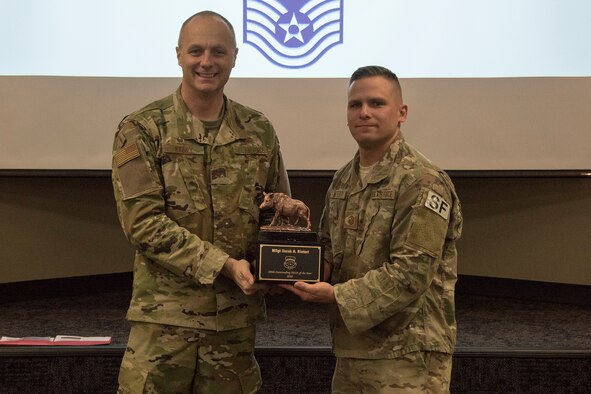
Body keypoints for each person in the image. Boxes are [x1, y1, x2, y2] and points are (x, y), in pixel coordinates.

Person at [111, 10, 290, 393]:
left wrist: (276, 264)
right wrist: (223, 264)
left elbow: (278, 212)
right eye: (196, 51)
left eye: (218, 52)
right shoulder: (142, 129)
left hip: (234, 327)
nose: (206, 62)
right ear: (178, 55)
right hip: (165, 324)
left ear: (235, 56)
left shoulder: (258, 130)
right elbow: (143, 223)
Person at [281, 66, 463, 393]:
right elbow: (328, 252)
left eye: (377, 103)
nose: (364, 112)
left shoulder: (422, 181)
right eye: (355, 105)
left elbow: (411, 273)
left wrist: (337, 294)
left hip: (408, 355)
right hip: (353, 350)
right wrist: (294, 269)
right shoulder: (342, 181)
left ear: (401, 113)